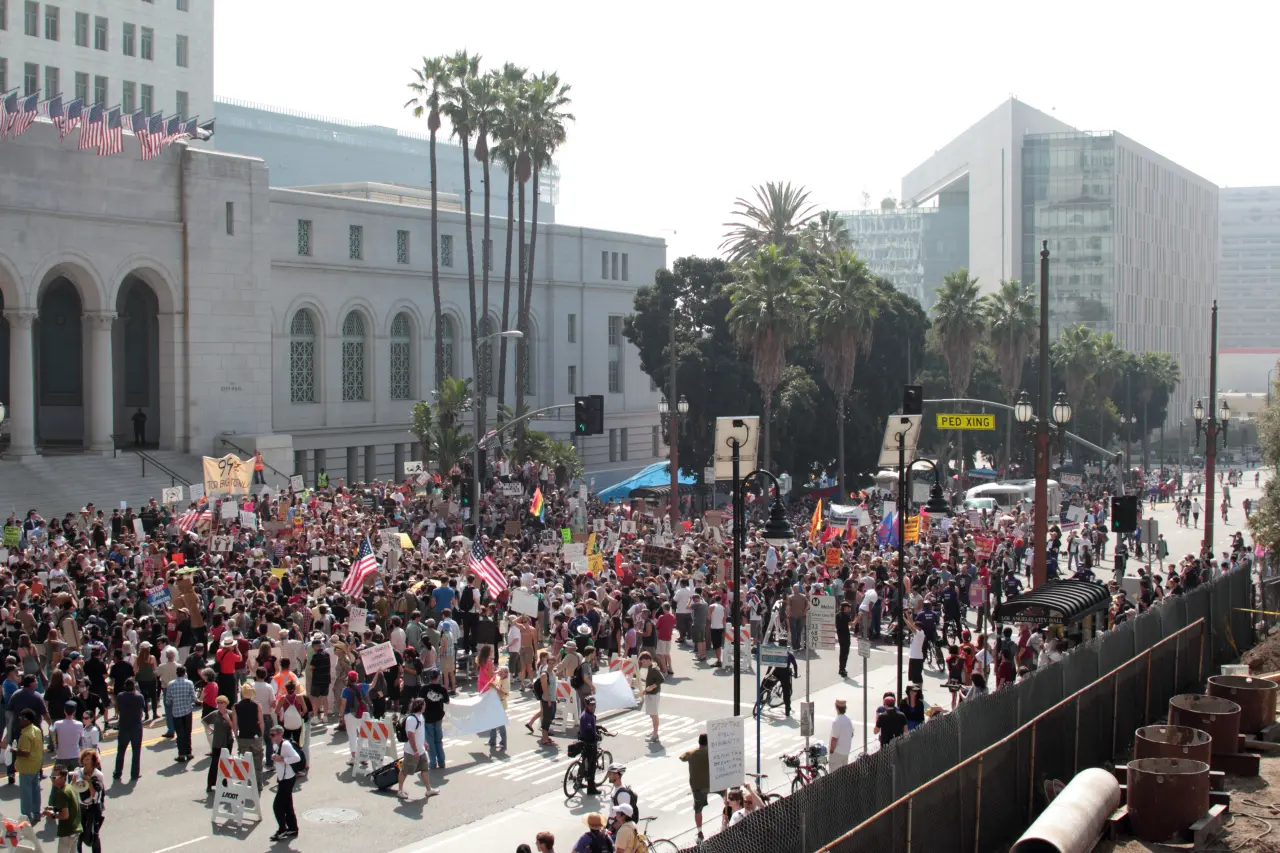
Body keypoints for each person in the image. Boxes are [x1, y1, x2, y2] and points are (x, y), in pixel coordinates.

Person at [397, 697, 439, 799]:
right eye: (424, 705)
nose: (425, 706)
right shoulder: (411, 719)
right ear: (420, 706)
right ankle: (400, 790)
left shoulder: (420, 717)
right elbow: (410, 736)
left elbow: (419, 733)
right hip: (412, 752)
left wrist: (424, 743)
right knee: (405, 771)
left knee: (424, 769)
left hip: (421, 750)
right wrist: (415, 751)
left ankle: (428, 790)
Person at [9, 709, 43, 823]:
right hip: (36, 765)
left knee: (26, 794)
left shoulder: (26, 735)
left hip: (26, 767)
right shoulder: (37, 730)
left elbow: (25, 753)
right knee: (35, 791)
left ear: (28, 720)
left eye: (22, 718)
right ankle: (37, 813)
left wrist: (14, 750)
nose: (20, 720)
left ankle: (26, 817)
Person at [268, 726, 301, 841]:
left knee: (277, 806)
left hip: (287, 779)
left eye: (273, 735)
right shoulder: (277, 745)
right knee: (287, 805)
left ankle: (282, 829)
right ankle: (293, 828)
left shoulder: (285, 745)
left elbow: (297, 758)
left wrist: (282, 760)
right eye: (270, 735)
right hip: (283, 778)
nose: (271, 737)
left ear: (280, 734)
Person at [232, 682, 266, 790]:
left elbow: (235, 725)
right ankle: (259, 784)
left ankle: (248, 783)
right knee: (257, 761)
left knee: (245, 762)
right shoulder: (257, 705)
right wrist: (261, 735)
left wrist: (236, 736)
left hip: (243, 737)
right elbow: (261, 722)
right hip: (256, 736)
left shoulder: (236, 707)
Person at [44, 764, 82, 853]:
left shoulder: (61, 793)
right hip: (75, 830)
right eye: (51, 777)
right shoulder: (69, 787)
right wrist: (53, 808)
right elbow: (68, 807)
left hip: (67, 832)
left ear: (63, 778)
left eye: (54, 777)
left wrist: (52, 815)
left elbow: (65, 815)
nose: (52, 779)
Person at [680, 733, 711, 841]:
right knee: (726, 797)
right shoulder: (711, 752)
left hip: (697, 787)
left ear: (699, 742)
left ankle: (700, 832)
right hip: (711, 783)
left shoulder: (692, 753)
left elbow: (682, 757)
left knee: (698, 810)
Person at [113, 678, 146, 781]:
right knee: (136, 751)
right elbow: (143, 706)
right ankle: (134, 773)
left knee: (121, 751)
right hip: (136, 728)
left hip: (124, 727)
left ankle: (118, 773)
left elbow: (118, 708)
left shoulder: (120, 696)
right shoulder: (139, 697)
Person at [74, 749, 105, 853]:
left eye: (88, 759)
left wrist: (89, 782)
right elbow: (73, 790)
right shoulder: (79, 772)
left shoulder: (98, 775)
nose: (85, 762)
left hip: (93, 808)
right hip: (81, 807)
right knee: (79, 834)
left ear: (93, 761)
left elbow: (95, 796)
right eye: (84, 759)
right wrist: (74, 781)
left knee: (93, 835)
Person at [165, 665, 196, 762]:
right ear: (184, 673)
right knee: (188, 732)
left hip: (176, 712)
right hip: (187, 711)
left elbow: (168, 700)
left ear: (176, 674)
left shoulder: (171, 684)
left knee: (180, 734)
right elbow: (194, 698)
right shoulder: (189, 683)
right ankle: (189, 753)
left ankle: (181, 754)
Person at [205, 695, 235, 793]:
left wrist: (228, 719)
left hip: (227, 741)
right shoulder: (214, 714)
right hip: (217, 742)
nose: (220, 705)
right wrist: (211, 729)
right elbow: (204, 721)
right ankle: (210, 784)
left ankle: (225, 783)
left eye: (222, 703)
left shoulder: (230, 713)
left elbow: (234, 727)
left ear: (226, 704)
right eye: (218, 703)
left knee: (226, 763)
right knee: (214, 763)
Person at [577, 695, 603, 796]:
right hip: (589, 743)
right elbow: (588, 731)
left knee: (585, 762)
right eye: (591, 705)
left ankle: (579, 781)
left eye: (594, 705)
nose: (593, 707)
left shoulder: (588, 714)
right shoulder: (586, 716)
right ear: (586, 705)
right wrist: (596, 736)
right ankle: (591, 788)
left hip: (585, 742)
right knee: (592, 765)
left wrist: (598, 727)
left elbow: (591, 726)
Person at [51, 701, 85, 771]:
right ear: (74, 712)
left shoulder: (57, 724)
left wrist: (55, 745)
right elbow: (81, 740)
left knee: (59, 776)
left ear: (64, 711)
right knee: (75, 777)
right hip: (75, 756)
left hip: (61, 756)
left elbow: (51, 731)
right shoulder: (79, 724)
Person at [638, 651, 663, 742]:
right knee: (652, 715)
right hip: (650, 694)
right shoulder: (650, 667)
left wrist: (652, 687)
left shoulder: (653, 669)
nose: (643, 663)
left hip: (653, 695)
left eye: (644, 661)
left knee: (654, 715)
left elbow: (661, 679)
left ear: (649, 660)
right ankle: (654, 732)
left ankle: (655, 734)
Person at [829, 699, 854, 769]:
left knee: (834, 773)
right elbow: (851, 734)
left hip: (837, 752)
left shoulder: (836, 721)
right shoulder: (848, 720)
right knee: (843, 773)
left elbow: (834, 738)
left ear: (836, 708)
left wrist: (831, 751)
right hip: (846, 751)